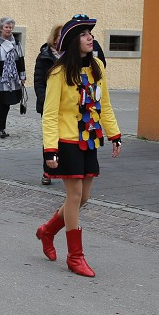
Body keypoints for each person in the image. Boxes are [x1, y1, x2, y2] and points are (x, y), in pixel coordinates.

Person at [36, 16, 121, 278]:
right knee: (74, 196)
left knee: (84, 198)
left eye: (90, 34)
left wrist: (114, 133)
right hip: (66, 140)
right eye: (84, 34)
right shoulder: (59, 73)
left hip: (90, 139)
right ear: (73, 41)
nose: (90, 38)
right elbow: (49, 114)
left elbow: (103, 104)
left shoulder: (96, 66)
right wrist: (50, 150)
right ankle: (75, 257)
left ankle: (47, 231)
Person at [33, 25, 61, 185]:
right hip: (49, 105)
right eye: (60, 35)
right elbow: (38, 81)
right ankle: (48, 171)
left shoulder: (70, 55)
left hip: (67, 106)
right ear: (54, 38)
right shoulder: (44, 56)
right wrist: (45, 100)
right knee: (50, 138)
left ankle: (64, 168)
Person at [0, 16, 25, 140]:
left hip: (12, 79)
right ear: (1, 28)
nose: (9, 29)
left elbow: (20, 59)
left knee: (7, 103)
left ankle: (1, 127)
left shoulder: (16, 43)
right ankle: (0, 128)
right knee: (1, 102)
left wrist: (22, 76)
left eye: (10, 27)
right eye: (6, 27)